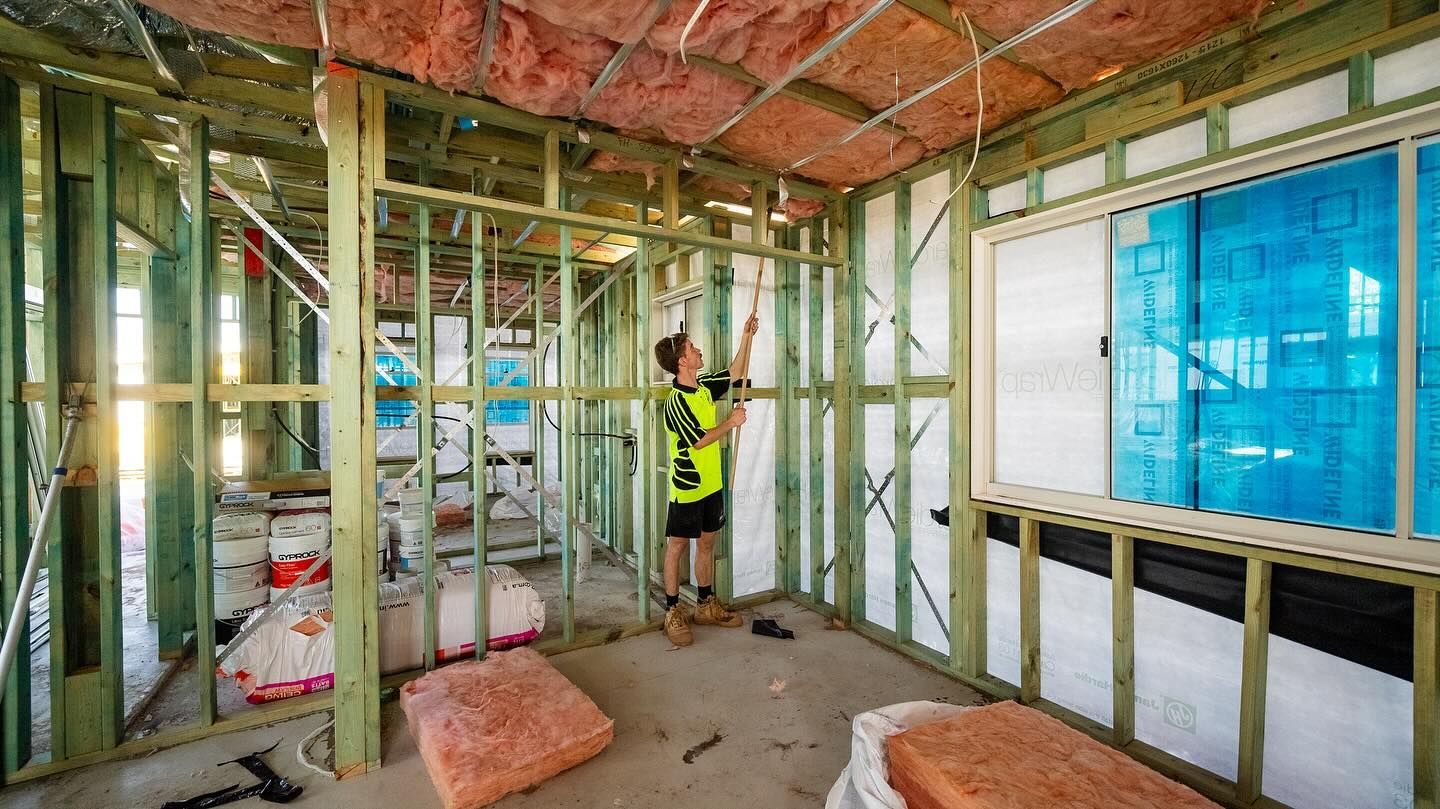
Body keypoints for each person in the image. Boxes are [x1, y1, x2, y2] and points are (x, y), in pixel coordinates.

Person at [652, 313, 760, 646]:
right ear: (682, 361)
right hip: (687, 487)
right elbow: (698, 439)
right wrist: (731, 422)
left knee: (707, 543)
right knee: (678, 546)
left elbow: (736, 371)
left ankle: (705, 605)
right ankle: (672, 610)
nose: (698, 351)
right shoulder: (676, 402)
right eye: (693, 348)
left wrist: (746, 335)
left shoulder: (703, 388)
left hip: (712, 484)